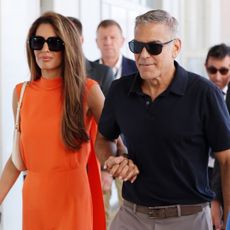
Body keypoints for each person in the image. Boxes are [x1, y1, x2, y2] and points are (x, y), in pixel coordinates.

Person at [95, 9, 230, 230]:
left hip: (189, 219)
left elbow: (226, 161)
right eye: (137, 47)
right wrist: (113, 161)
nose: (144, 55)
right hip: (131, 216)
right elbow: (103, 139)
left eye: (154, 47)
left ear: (175, 48)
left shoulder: (204, 94)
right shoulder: (119, 90)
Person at [0, 11, 106, 230]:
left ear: (68, 46)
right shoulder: (21, 93)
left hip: (73, 198)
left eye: (54, 43)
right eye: (38, 42)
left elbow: (113, 137)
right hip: (34, 200)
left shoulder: (88, 90)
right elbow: (18, 157)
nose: (45, 49)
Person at [95, 19, 137, 228]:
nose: (108, 42)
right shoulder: (90, 72)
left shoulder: (138, 68)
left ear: (122, 41)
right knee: (100, 206)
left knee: (128, 206)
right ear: (96, 42)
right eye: (104, 38)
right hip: (100, 148)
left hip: (131, 151)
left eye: (113, 37)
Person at [205, 43, 230, 230]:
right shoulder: (199, 94)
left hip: (223, 175)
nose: (218, 76)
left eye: (224, 70)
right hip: (200, 174)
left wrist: (215, 197)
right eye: (213, 70)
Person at [68, 16, 114, 96]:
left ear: (81, 40)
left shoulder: (104, 73)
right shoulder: (51, 71)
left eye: (70, 37)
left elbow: (108, 108)